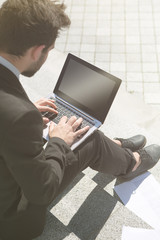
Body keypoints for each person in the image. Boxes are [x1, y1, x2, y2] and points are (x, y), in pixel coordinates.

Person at [0, 1, 160, 240]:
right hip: (14, 221)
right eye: (49, 51)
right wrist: (58, 141)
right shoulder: (18, 116)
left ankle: (114, 147)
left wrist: (26, 112)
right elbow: (42, 190)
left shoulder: (16, 111)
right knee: (89, 139)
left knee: (79, 132)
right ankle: (131, 162)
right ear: (37, 51)